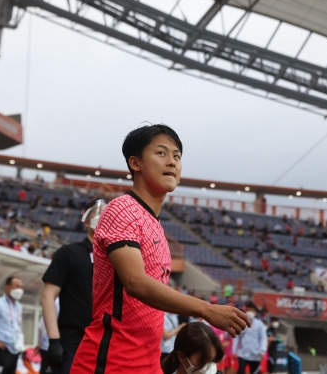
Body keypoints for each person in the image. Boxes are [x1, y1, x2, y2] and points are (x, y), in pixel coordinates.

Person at [71, 124, 250, 373]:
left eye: (177, 156)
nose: (172, 162)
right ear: (135, 162)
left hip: (146, 361)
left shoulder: (153, 224)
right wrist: (206, 309)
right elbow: (136, 283)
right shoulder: (122, 209)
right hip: (112, 360)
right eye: (162, 153)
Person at [41, 202, 104, 373]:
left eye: (105, 215)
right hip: (72, 343)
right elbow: (47, 296)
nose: (101, 217)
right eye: (97, 214)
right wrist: (54, 340)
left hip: (104, 345)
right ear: (86, 222)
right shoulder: (68, 253)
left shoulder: (115, 260)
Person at [233, 302, 267, 374]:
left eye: (251, 310)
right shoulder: (241, 323)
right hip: (242, 354)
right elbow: (236, 338)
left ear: (255, 312)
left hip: (255, 355)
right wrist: (234, 351)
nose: (250, 312)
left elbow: (263, 338)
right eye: (248, 310)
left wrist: (262, 351)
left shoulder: (259, 324)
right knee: (240, 372)